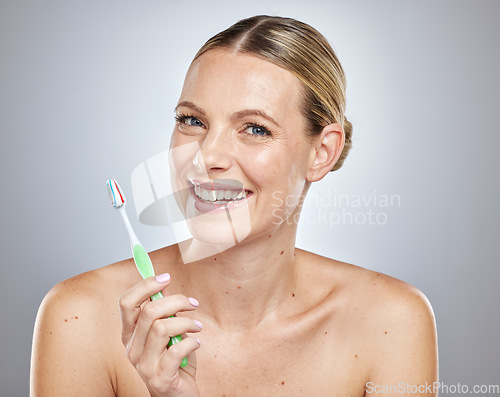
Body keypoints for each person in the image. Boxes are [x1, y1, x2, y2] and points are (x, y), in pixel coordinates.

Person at [30, 15, 438, 396]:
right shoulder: (79, 318)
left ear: (322, 152)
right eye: (192, 120)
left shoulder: (390, 323)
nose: (207, 155)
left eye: (255, 128)